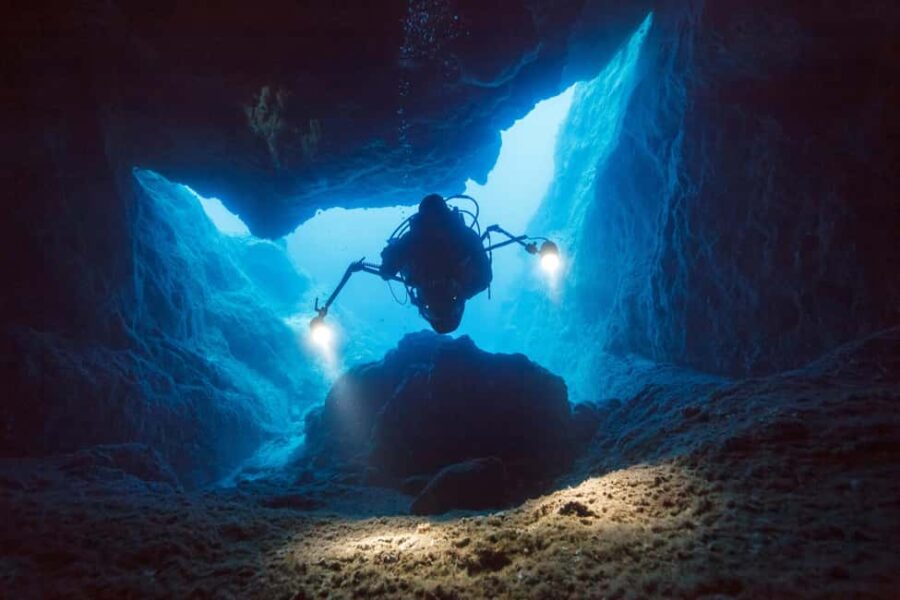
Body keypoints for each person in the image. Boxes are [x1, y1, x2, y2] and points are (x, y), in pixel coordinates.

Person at [379, 194, 492, 333]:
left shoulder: (414, 238)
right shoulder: (464, 236)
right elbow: (485, 276)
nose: (436, 225)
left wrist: (387, 269)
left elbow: (389, 264)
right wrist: (463, 291)